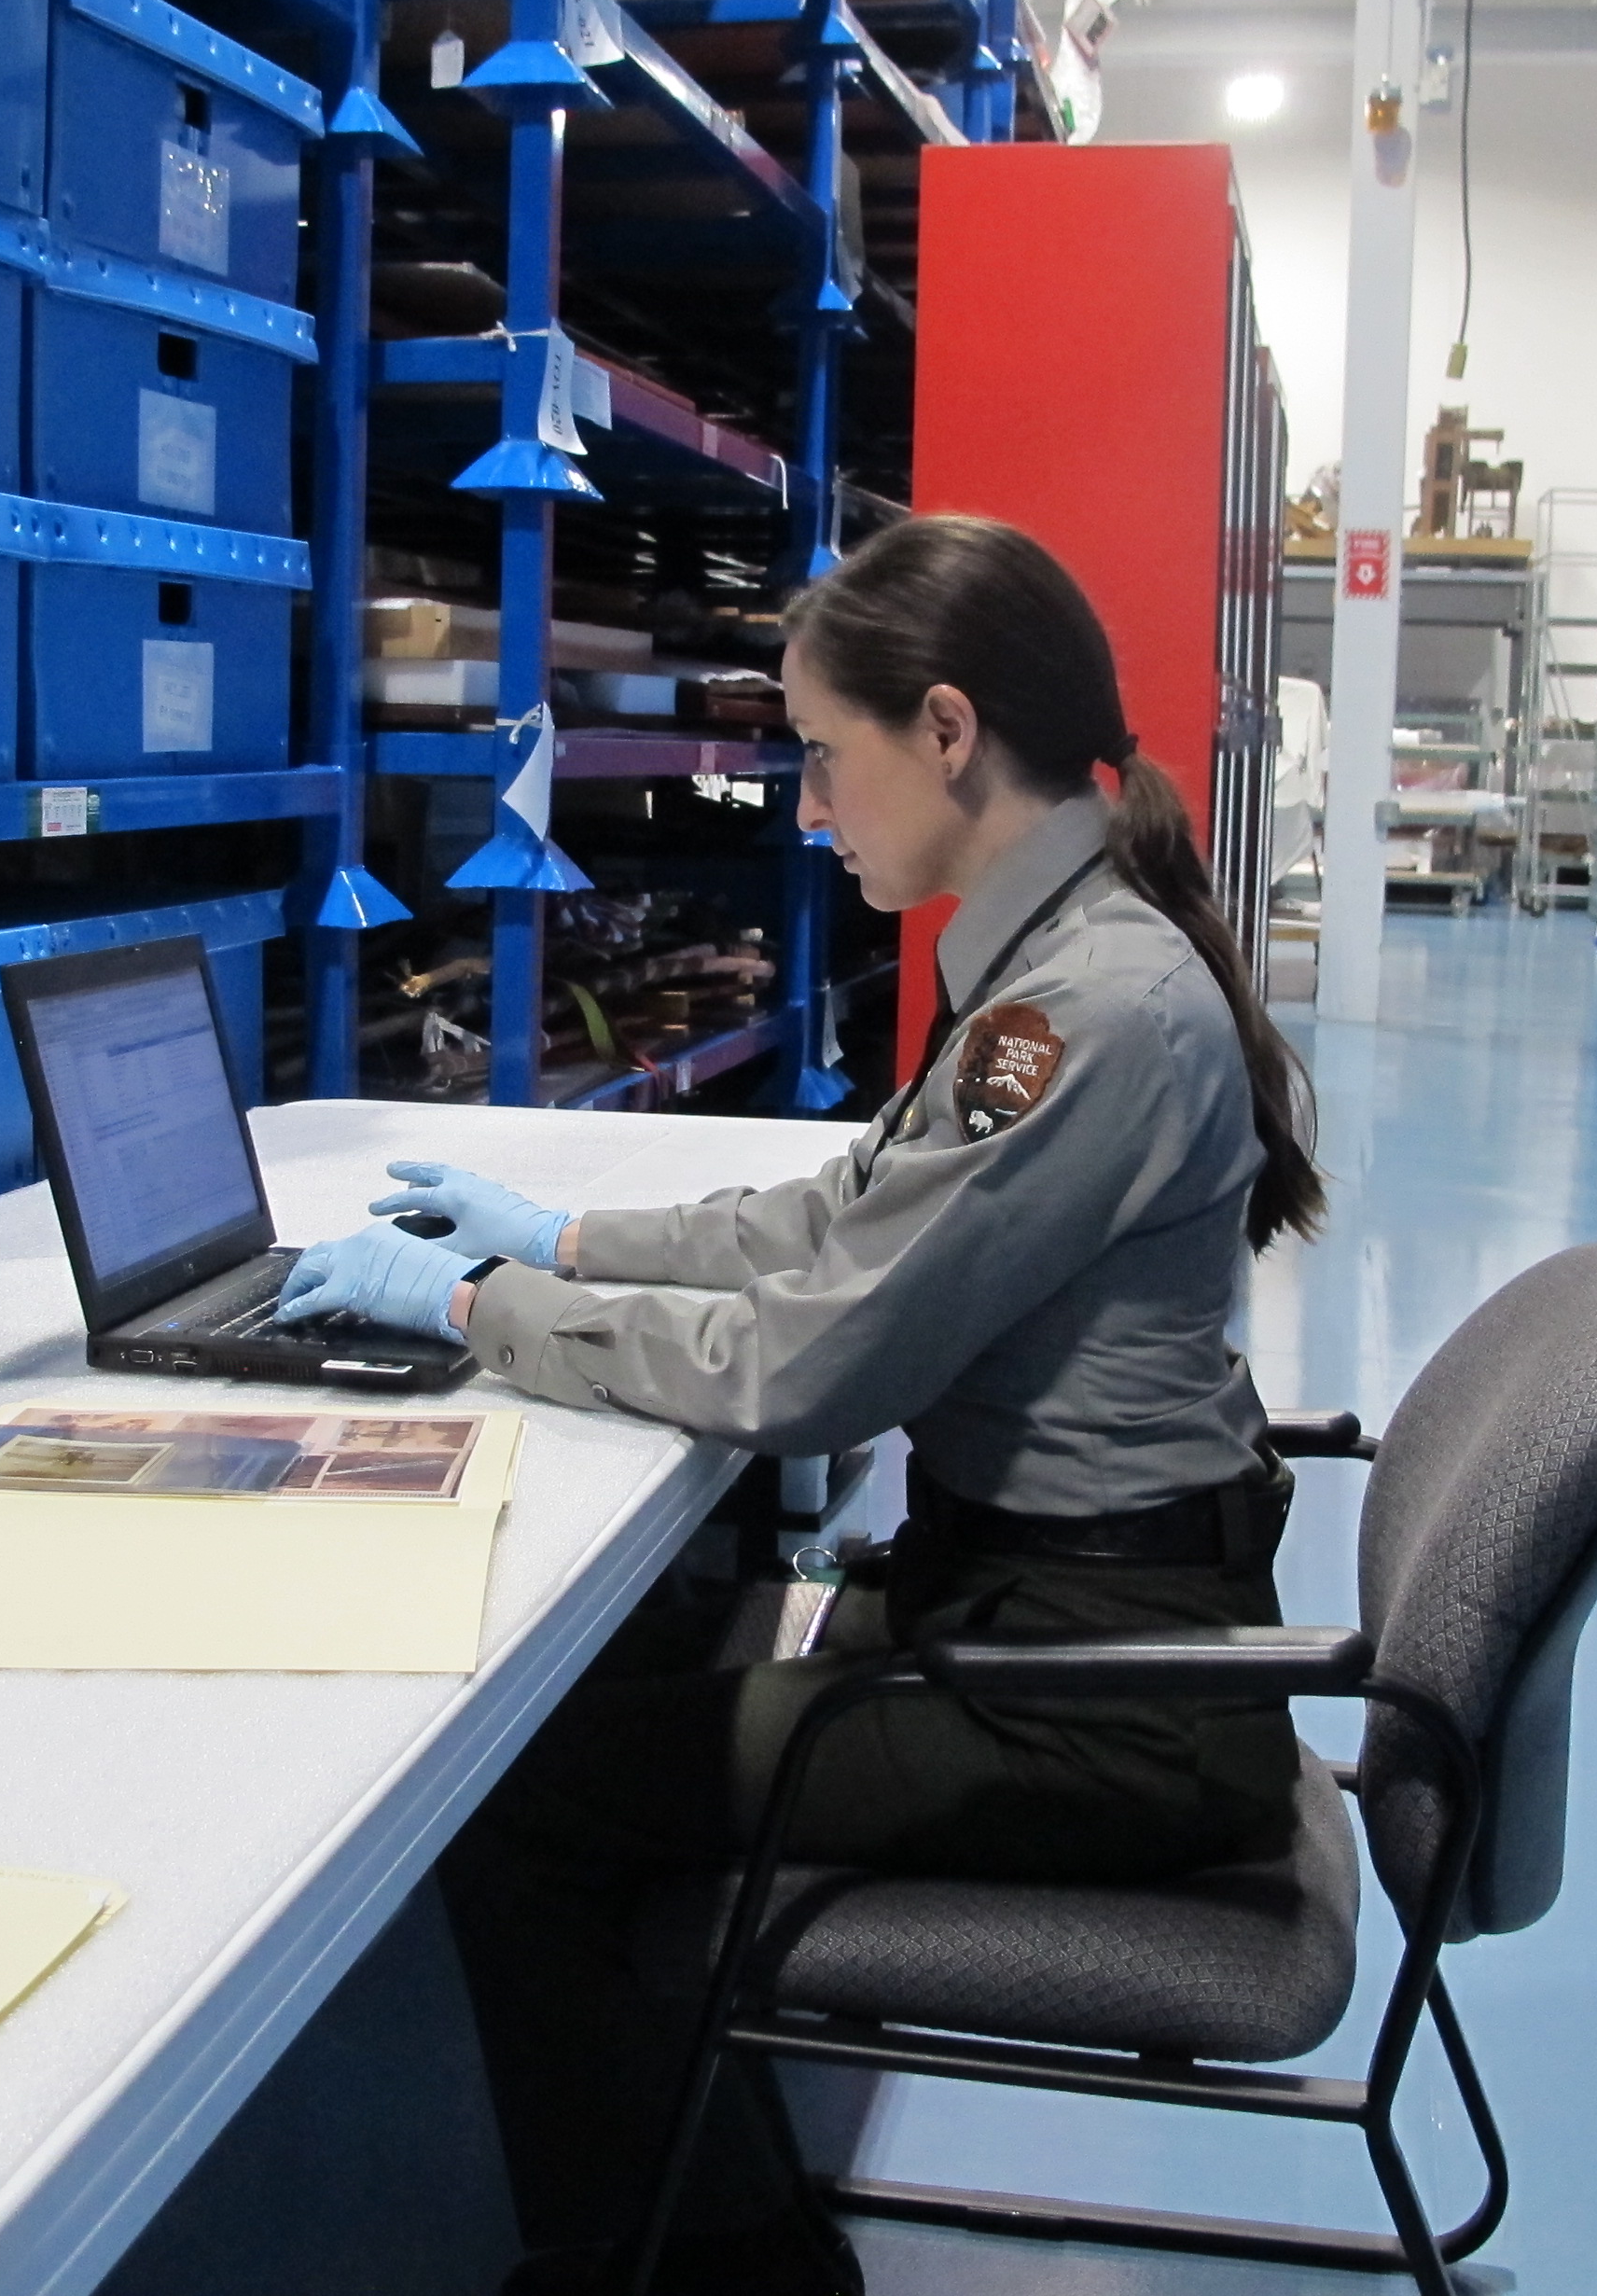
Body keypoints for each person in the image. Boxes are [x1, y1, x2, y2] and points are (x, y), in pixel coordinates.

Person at [274, 514, 1326, 2296]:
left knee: (531, 1801)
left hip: (1103, 1700)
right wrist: (573, 1232)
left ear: (944, 730)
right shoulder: (1063, 948)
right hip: (1060, 1614)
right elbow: (850, 1216)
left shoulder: (1083, 1014)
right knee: (633, 1687)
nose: (814, 812)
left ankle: (717, 2267)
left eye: (825, 761)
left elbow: (807, 1367)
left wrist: (474, 1306)